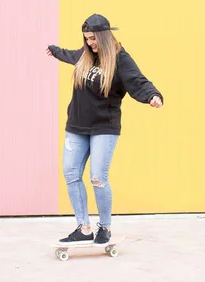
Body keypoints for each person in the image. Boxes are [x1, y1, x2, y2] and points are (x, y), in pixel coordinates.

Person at [46, 13, 163, 246]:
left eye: (93, 39)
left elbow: (137, 80)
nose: (90, 43)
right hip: (77, 125)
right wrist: (55, 51)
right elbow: (69, 55)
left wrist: (152, 95)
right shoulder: (85, 55)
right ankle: (83, 227)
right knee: (71, 173)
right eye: (87, 39)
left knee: (98, 177)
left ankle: (105, 227)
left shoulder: (120, 59)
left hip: (104, 127)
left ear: (104, 36)